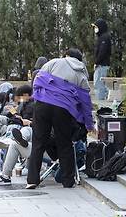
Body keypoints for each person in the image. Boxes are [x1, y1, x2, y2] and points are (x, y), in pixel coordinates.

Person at [27, 48, 95, 189]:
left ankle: (32, 180)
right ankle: (67, 181)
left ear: (66, 56)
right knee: (64, 143)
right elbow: (85, 101)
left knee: (38, 142)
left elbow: (37, 80)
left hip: (42, 104)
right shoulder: (81, 73)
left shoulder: (53, 63)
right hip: (63, 109)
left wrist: (40, 97)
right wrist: (89, 124)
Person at [92, 19, 111, 100]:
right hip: (102, 65)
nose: (95, 29)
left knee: (99, 85)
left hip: (102, 65)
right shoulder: (102, 37)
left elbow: (102, 52)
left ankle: (101, 104)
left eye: (96, 27)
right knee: (100, 85)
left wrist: (96, 62)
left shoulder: (104, 38)